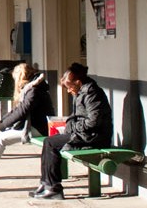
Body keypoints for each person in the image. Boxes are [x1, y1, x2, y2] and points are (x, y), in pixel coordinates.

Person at [32, 62, 112, 199]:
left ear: (78, 82)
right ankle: (46, 182)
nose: (68, 91)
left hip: (94, 137)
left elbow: (93, 121)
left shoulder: (92, 94)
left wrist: (73, 127)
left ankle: (54, 187)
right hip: (84, 134)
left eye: (69, 87)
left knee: (51, 143)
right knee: (48, 142)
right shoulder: (82, 92)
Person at [0, 62, 51, 179]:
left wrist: (3, 125)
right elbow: (18, 109)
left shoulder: (34, 90)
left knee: (0, 138)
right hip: (33, 125)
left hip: (38, 128)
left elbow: (22, 110)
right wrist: (2, 121)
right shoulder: (32, 87)